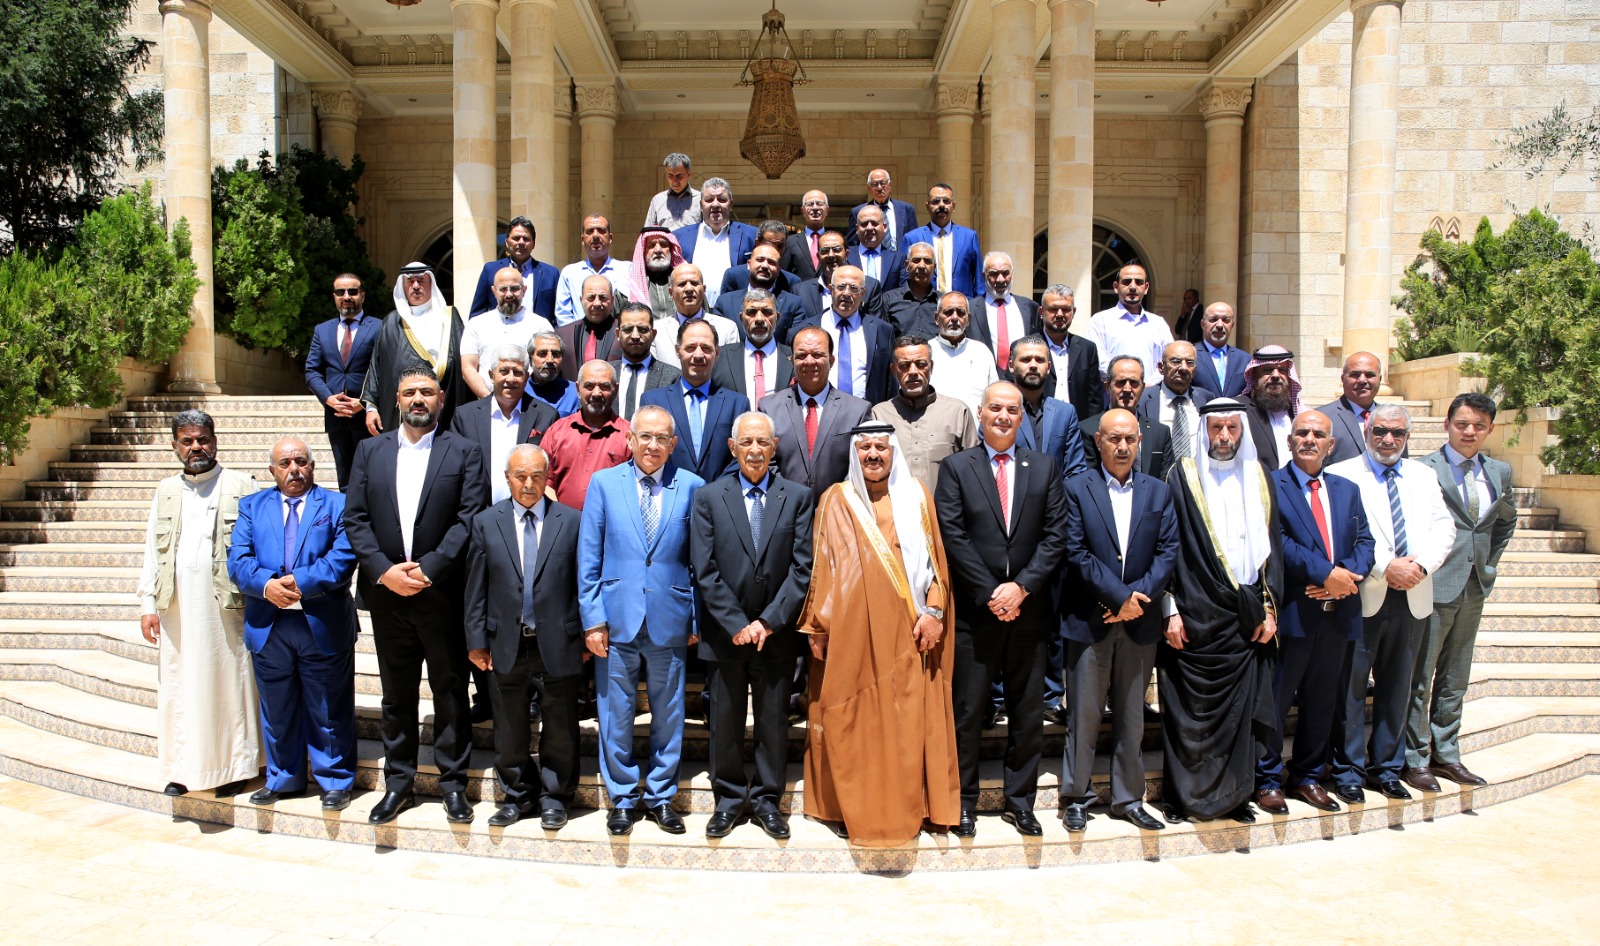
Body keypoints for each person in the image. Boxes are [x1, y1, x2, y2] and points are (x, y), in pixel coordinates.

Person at [799, 420, 959, 846]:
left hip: (909, 631)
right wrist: (818, 627)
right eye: (865, 447)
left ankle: (909, 809)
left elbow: (937, 564)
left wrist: (935, 612)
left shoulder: (917, 495)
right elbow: (823, 567)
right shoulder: (836, 499)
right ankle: (849, 809)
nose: (873, 454)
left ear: (893, 453)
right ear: (854, 452)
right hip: (851, 635)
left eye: (881, 447)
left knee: (905, 723)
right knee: (852, 719)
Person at [344, 368, 488, 825]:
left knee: (450, 692)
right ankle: (398, 783)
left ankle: (453, 785)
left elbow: (469, 518)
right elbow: (355, 519)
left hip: (441, 594)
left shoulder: (463, 451)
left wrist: (428, 569)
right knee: (396, 695)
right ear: (396, 400)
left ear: (441, 399)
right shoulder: (369, 451)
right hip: (388, 596)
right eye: (410, 392)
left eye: (427, 392)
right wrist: (384, 571)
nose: (418, 399)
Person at [936, 382, 1069, 838]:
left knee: (1027, 715)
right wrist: (993, 592)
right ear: (981, 412)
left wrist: (1022, 588)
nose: (1004, 416)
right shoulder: (957, 467)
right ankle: (963, 801)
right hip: (976, 614)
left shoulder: (1044, 467)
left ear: (1021, 417)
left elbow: (1056, 536)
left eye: (1012, 410)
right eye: (995, 408)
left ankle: (1020, 802)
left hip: (1029, 614)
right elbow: (953, 535)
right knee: (968, 712)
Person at [578, 405, 706, 836]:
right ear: (630, 440)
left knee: (669, 713)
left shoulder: (692, 486)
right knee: (615, 713)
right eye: (645, 436)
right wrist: (593, 619)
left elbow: (698, 561)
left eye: (661, 438)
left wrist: (695, 617)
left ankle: (661, 795)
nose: (652, 445)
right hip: (616, 620)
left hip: (671, 618)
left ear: (673, 444)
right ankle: (622, 797)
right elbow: (589, 556)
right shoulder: (604, 484)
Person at [1158, 398, 1284, 823]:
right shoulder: (1182, 477)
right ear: (1205, 430)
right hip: (1193, 616)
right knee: (1188, 714)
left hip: (1243, 617)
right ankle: (1182, 797)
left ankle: (1235, 797)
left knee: (1237, 715)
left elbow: (1273, 549)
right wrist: (1169, 609)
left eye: (1232, 427)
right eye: (1217, 428)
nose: (1225, 436)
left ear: (1242, 430)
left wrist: (1269, 607)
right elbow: (1167, 548)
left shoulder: (1259, 476)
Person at [690, 412, 815, 840]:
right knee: (724, 722)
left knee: (772, 723)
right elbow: (704, 568)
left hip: (774, 635)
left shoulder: (797, 496)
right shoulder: (708, 497)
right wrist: (737, 623)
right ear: (733, 447)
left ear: (775, 446)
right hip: (725, 634)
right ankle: (727, 801)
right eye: (747, 442)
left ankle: (767, 801)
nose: (756, 450)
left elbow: (802, 568)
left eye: (763, 442)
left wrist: (768, 621)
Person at [1059, 408, 1180, 833]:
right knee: (1084, 715)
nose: (1123, 446)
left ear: (1140, 442)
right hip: (1089, 619)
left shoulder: (1158, 492)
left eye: (1129, 439)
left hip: (1139, 622)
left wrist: (1135, 600)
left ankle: (1128, 798)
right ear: (1098, 442)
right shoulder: (1076, 488)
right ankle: (1076, 797)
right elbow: (1075, 551)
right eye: (1114, 438)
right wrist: (1118, 597)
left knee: (1132, 715)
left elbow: (1168, 551)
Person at [1326, 405, 1455, 800]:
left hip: (1413, 595)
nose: (1388, 440)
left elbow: (1443, 527)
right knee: (1350, 690)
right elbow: (1345, 533)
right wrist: (1386, 567)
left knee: (1398, 688)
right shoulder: (1343, 473)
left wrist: (1421, 566)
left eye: (1397, 433)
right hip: (1363, 596)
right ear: (1367, 431)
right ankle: (1348, 771)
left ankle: (1386, 768)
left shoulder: (1423, 475)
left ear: (1407, 437)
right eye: (1380, 431)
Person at [226, 438, 358, 811]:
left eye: (300, 461)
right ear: (272, 470)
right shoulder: (252, 506)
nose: (294, 469)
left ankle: (335, 780)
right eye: (285, 463)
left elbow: (343, 557)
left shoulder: (337, 505)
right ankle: (284, 778)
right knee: (277, 707)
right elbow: (238, 559)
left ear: (313, 466)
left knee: (328, 707)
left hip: (321, 623)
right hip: (269, 624)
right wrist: (266, 586)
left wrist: (299, 583)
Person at [136, 410, 260, 798]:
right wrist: (147, 603)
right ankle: (181, 768)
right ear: (175, 446)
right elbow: (151, 551)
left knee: (229, 685)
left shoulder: (242, 484)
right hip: (176, 609)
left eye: (203, 439)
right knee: (179, 686)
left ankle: (235, 766)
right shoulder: (166, 490)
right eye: (187, 441)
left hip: (225, 607)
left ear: (215, 441)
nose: (196, 447)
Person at [1255, 412, 1374, 815]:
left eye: (1318, 434)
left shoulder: (1347, 489)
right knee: (1276, 700)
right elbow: (1277, 541)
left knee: (1323, 700)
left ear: (1330, 444)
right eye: (1301, 433)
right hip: (1293, 612)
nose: (1309, 439)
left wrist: (1344, 578)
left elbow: (1365, 541)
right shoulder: (1271, 485)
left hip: (1338, 613)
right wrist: (1326, 574)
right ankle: (1267, 779)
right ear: (1289, 441)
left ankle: (1307, 775)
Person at [463, 445, 585, 830]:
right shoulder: (486, 522)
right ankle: (517, 795)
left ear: (548, 477)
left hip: (559, 641)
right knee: (509, 728)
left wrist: (585, 634)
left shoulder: (572, 521)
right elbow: (476, 587)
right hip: (506, 643)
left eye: (537, 476)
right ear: (507, 478)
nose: (529, 484)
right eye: (521, 476)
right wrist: (476, 640)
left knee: (561, 727)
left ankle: (555, 798)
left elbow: (583, 583)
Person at [1406, 393, 1517, 791]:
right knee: (1421, 676)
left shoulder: (1499, 471)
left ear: (1490, 429)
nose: (1470, 431)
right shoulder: (1423, 469)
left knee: (1456, 676)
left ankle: (1447, 753)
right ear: (1447, 425)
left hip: (1474, 585)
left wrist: (1488, 562)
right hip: (1433, 585)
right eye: (1462, 424)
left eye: (1479, 425)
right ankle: (1415, 757)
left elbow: (1506, 520)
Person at [759, 326, 872, 500]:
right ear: (792, 360)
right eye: (801, 356)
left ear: (831, 360)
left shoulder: (857, 411)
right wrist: (788, 500)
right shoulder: (769, 408)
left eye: (817, 355)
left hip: (837, 508)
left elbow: (859, 465)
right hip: (784, 507)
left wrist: (836, 501)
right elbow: (766, 460)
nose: (809, 361)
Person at [360, 262, 470, 435]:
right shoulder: (391, 322)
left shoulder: (449, 317)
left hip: (445, 402)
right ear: (403, 286)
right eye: (410, 282)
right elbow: (376, 366)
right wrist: (371, 408)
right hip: (403, 407)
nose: (416, 286)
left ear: (431, 284)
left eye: (421, 280)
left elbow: (464, 360)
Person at [448, 343, 560, 504]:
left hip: (528, 510)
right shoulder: (465, 417)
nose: (511, 379)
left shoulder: (547, 415)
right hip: (478, 511)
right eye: (504, 371)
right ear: (491, 375)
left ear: (527, 378)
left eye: (518, 372)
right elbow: (455, 469)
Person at [641, 319, 750, 483]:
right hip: (669, 492)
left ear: (717, 353)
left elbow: (742, 454)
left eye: (706, 348)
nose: (698, 355)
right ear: (678, 351)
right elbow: (647, 451)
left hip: (720, 495)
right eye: (690, 348)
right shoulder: (653, 401)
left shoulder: (737, 404)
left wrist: (713, 492)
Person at [869, 334, 980, 495]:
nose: (913, 371)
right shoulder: (879, 415)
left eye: (921, 364)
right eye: (904, 366)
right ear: (894, 370)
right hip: (892, 508)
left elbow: (973, 473)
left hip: (943, 510)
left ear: (931, 367)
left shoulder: (957, 413)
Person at [304, 273, 379, 487]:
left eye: (352, 291)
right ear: (334, 296)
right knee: (345, 480)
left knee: (372, 478)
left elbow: (384, 369)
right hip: (336, 418)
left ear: (362, 296)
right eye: (341, 292)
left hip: (369, 418)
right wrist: (328, 399)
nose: (347, 297)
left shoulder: (379, 327)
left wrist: (365, 402)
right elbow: (312, 370)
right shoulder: (322, 330)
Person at [789, 264, 896, 403]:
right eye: (841, 287)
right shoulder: (802, 332)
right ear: (830, 289)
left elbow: (889, 380)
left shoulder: (882, 330)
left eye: (854, 288)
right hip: (819, 410)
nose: (846, 293)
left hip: (868, 410)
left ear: (863, 294)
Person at [541, 360, 632, 510]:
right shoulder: (556, 432)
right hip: (563, 523)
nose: (596, 393)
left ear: (615, 389)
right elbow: (544, 481)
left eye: (604, 386)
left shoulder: (629, 435)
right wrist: (561, 518)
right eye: (589, 386)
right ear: (578, 388)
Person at [459, 266, 557, 398]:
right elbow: (468, 368)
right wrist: (490, 401)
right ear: (494, 291)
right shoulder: (476, 324)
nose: (509, 294)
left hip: (531, 404)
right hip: (486, 402)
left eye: (515, 288)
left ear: (524, 290)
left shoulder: (541, 325)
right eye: (503, 289)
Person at [1079, 355, 1174, 479]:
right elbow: (1087, 479)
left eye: (1134, 383)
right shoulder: (1087, 430)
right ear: (1107, 387)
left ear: (1142, 388)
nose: (1127, 389)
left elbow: (1165, 480)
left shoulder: (1160, 433)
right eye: (1121, 382)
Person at [1008, 336, 1087, 481]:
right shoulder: (998, 413)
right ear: (1011, 365)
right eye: (1026, 359)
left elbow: (1075, 472)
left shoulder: (1065, 413)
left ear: (1049, 367)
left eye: (1040, 360)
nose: (1033, 365)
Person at [673, 177, 757, 308]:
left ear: (731, 204)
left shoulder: (751, 235)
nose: (715, 204)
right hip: (693, 310)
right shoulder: (679, 237)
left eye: (722, 199)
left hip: (736, 310)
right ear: (701, 205)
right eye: (709, 199)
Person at [1085, 263, 1170, 385]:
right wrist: (1126, 384)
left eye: (1139, 282)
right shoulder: (1100, 321)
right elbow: (1098, 361)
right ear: (1116, 287)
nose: (1133, 287)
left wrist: (1148, 385)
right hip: (1113, 393)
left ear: (1146, 288)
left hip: (1151, 392)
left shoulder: (1159, 324)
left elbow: (1169, 360)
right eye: (1126, 282)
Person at [466, 216, 559, 321]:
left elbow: (558, 315)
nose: (521, 242)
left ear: (533, 243)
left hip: (538, 331)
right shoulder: (490, 270)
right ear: (507, 242)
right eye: (516, 238)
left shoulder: (550, 274)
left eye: (526, 239)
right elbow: (477, 314)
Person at [711, 242, 807, 344]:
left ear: (779, 270)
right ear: (748, 264)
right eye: (760, 260)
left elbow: (796, 342)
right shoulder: (724, 303)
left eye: (771, 262)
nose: (765, 265)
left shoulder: (793, 304)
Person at [649, 264, 741, 366]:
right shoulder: (656, 331)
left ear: (704, 289)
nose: (689, 289)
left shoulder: (727, 328)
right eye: (682, 284)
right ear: (671, 293)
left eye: (694, 283)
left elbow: (732, 369)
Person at [711, 288, 795, 401]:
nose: (759, 319)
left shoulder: (795, 358)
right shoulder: (719, 357)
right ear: (741, 319)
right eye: (751, 312)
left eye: (767, 312)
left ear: (777, 318)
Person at [1136, 341, 1214, 461]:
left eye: (1190, 362)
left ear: (1195, 370)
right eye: (1176, 361)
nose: (1183, 368)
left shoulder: (1206, 399)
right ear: (1161, 367)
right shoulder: (1141, 399)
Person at [926, 291, 999, 419]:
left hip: (975, 429)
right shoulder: (925, 352)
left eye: (960, 313)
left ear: (968, 319)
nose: (955, 318)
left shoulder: (982, 352)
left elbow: (995, 396)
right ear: (937, 318)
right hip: (934, 428)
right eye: (948, 312)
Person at [1034, 283, 1103, 416]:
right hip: (1039, 423)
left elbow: (1094, 399)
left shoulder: (1087, 349)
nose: (1060, 314)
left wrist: (1090, 427)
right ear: (1041, 312)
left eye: (1066, 309)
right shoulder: (1026, 347)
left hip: (1077, 425)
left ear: (1073, 312)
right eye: (1053, 309)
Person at [902, 184, 983, 297]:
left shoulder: (969, 237)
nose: (941, 205)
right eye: (936, 201)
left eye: (946, 201)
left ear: (953, 206)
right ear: (927, 206)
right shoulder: (912, 238)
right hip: (924, 304)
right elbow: (904, 277)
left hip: (961, 305)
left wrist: (978, 305)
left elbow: (979, 280)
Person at [792, 231, 888, 325]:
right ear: (818, 256)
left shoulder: (869, 286)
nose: (831, 255)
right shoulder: (801, 291)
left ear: (847, 254)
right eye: (825, 251)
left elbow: (877, 327)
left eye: (836, 249)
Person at [554, 214, 631, 325]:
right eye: (590, 231)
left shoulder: (627, 270)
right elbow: (563, 314)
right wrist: (575, 334)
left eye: (601, 230)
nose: (595, 236)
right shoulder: (570, 273)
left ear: (610, 238)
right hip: (578, 335)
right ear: (582, 239)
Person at [611, 301, 682, 421]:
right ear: (618, 333)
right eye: (628, 329)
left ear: (653, 334)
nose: (635, 336)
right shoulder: (606, 374)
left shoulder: (673, 377)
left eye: (642, 330)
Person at [967, 252, 1037, 372]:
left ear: (1012, 274)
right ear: (984, 276)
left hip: (1021, 378)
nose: (1000, 280)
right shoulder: (970, 309)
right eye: (994, 274)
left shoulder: (1030, 307)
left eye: (1005, 273)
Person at [1317, 351, 1392, 465]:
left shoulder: (1392, 417)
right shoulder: (1322, 418)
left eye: (1370, 375)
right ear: (1343, 379)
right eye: (1355, 374)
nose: (1362, 380)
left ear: (1380, 379)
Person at [1238, 345, 1302, 468]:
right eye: (1267, 370)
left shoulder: (1299, 412)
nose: (1276, 375)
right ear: (1254, 375)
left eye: (1282, 370)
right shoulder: (1239, 410)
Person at [556, 274, 625, 379]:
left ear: (612, 300)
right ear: (581, 300)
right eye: (591, 297)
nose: (597, 303)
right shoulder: (563, 335)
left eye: (603, 297)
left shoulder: (625, 333)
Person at [848, 168, 918, 252]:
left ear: (890, 185)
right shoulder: (858, 212)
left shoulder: (906, 209)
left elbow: (914, 240)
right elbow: (852, 244)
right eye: (875, 184)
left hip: (900, 258)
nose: (879, 188)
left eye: (883, 183)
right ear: (869, 188)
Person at [627, 226, 688, 321]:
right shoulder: (629, 287)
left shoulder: (687, 282)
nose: (658, 250)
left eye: (663, 244)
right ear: (643, 251)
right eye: (651, 245)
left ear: (671, 249)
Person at [883, 242, 941, 337]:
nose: (922, 266)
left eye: (927, 261)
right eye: (916, 260)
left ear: (934, 267)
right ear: (907, 265)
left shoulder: (943, 302)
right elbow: (884, 337)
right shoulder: (889, 299)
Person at [1192, 302, 1249, 398]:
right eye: (1213, 319)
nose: (1219, 325)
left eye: (1226, 320)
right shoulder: (1190, 355)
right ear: (1203, 324)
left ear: (1232, 325)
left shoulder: (1245, 359)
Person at [846, 204, 906, 292]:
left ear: (884, 227)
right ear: (857, 229)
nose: (869, 228)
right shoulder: (846, 256)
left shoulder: (898, 259)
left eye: (874, 223)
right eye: (864, 224)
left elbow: (902, 292)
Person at [526, 332, 582, 417]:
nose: (550, 360)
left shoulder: (575, 393)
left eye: (555, 354)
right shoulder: (519, 391)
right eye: (542, 354)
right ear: (530, 359)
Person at [780, 189, 831, 282]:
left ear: (827, 210)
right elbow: (784, 274)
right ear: (803, 211)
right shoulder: (790, 242)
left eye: (819, 203)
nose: (815, 208)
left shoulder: (836, 241)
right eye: (810, 204)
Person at [644, 152, 700, 231]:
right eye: (670, 176)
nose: (675, 181)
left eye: (679, 176)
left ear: (689, 174)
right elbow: (647, 232)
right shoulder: (657, 200)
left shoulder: (701, 200)